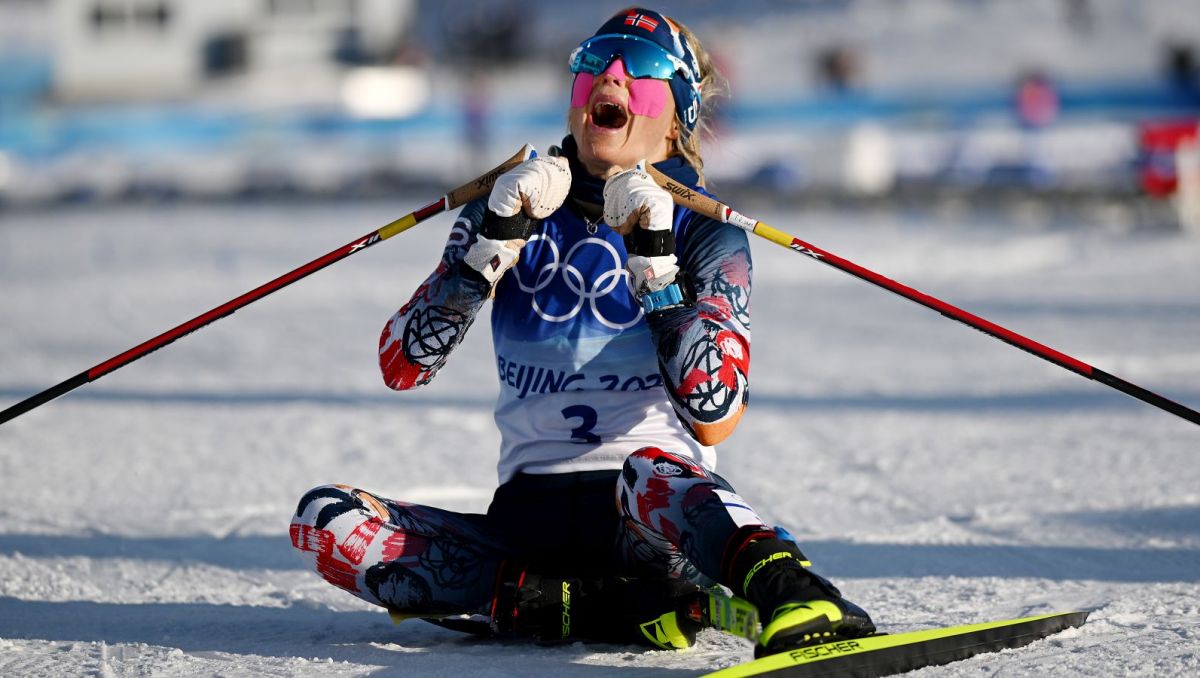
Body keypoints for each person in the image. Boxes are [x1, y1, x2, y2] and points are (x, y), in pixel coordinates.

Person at [290, 7, 874, 657]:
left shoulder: (705, 230)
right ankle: (605, 607)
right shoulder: (510, 205)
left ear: (676, 111)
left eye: (641, 70)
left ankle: (797, 594)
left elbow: (715, 415)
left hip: (652, 521)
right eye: (593, 63)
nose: (612, 77)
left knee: (653, 471)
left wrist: (655, 264)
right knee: (326, 519)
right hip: (526, 522)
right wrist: (487, 253)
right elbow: (403, 365)